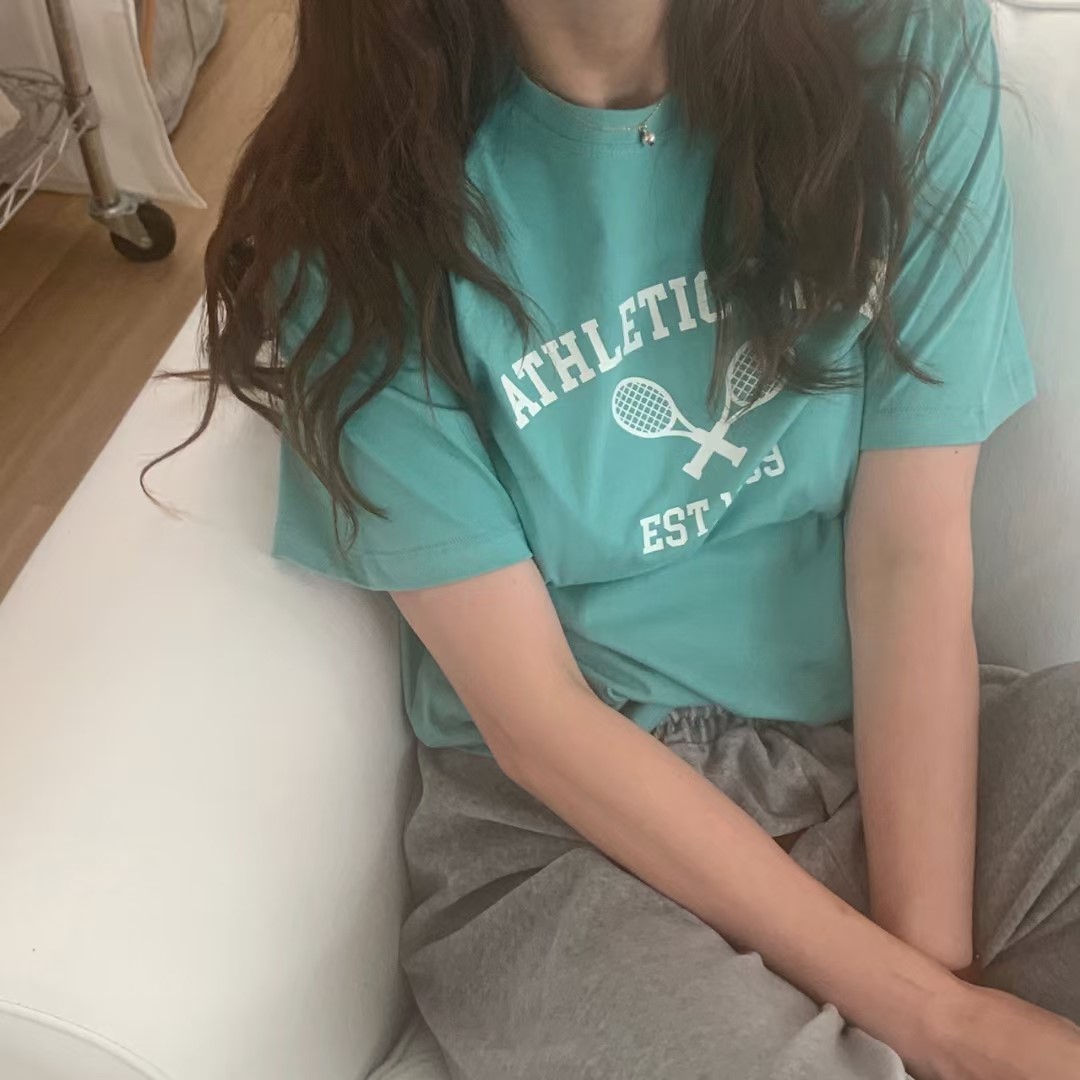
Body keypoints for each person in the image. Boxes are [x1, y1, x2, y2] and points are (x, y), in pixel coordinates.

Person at [187, 0, 1080, 1076]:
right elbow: (537, 719)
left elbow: (911, 550)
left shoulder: (903, 39)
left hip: (879, 749)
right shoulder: (355, 218)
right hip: (577, 841)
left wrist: (935, 984)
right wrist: (942, 1023)